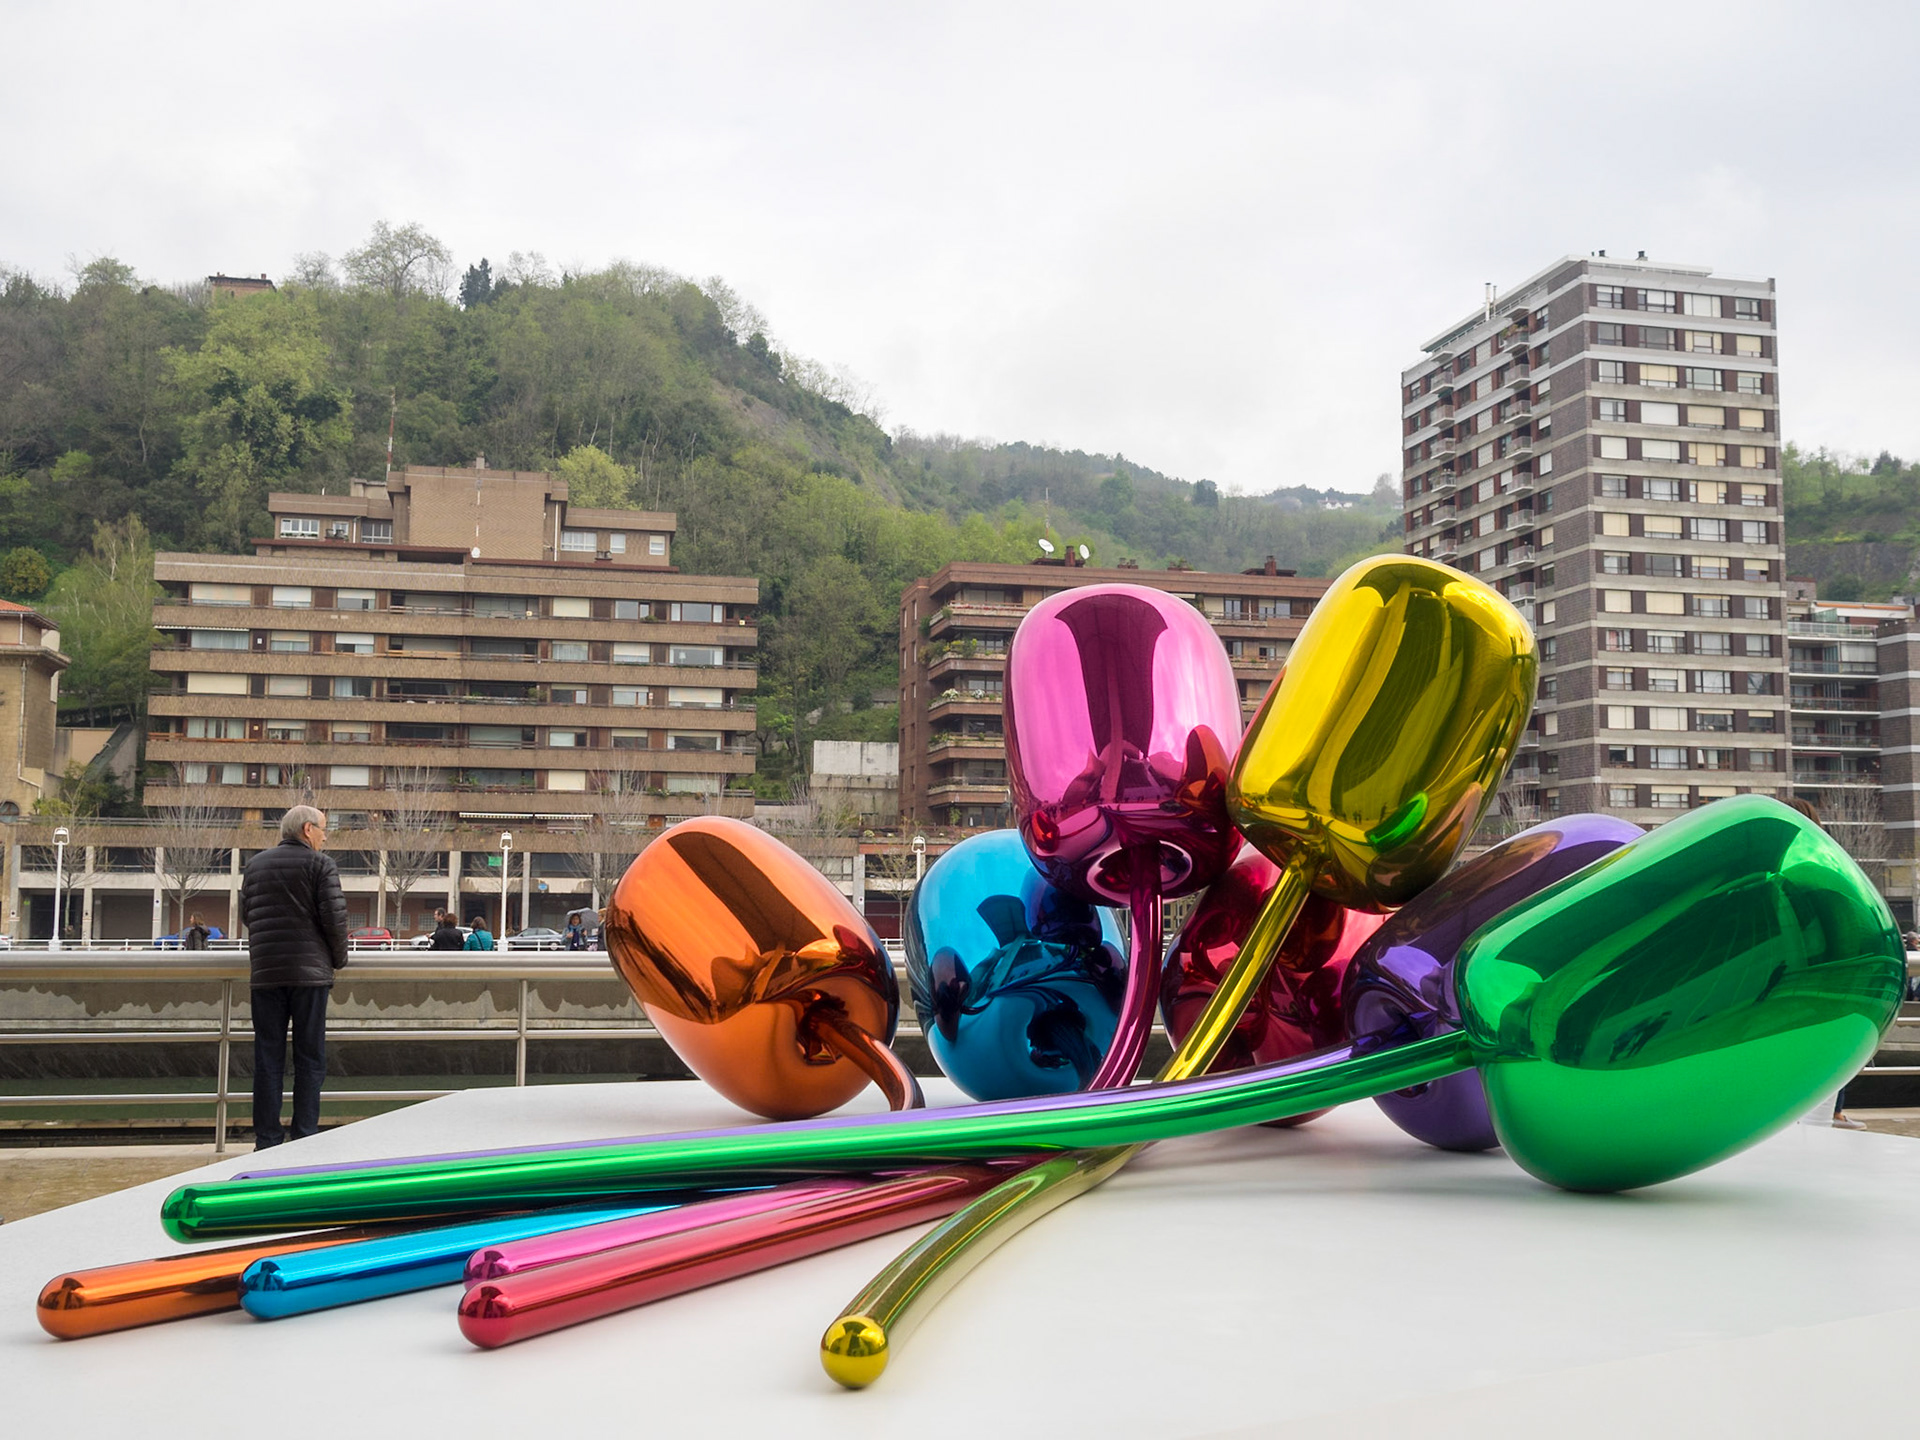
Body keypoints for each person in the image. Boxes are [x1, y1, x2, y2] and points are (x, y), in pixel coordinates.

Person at [239, 805, 347, 1149]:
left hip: (267, 973)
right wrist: (337, 961)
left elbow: (248, 915)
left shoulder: (255, 865)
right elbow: (335, 919)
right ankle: (304, 1137)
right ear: (307, 829)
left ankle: (267, 1140)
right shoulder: (321, 865)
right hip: (309, 975)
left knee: (267, 1057)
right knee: (310, 1056)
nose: (326, 836)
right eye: (323, 829)